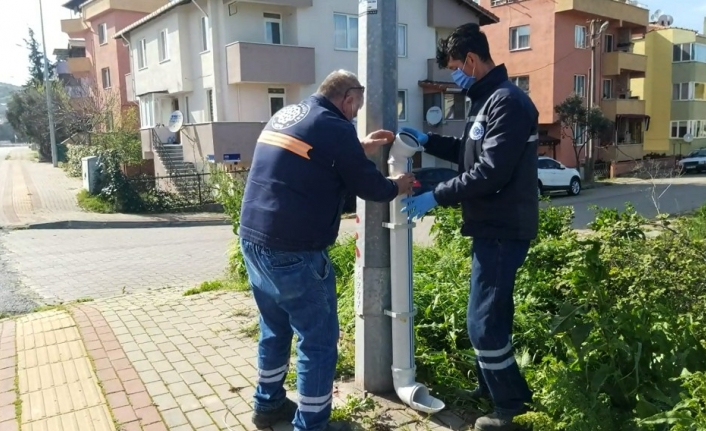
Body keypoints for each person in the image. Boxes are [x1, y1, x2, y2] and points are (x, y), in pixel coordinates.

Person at [238, 69, 416, 431]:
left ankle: (267, 406)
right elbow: (371, 187)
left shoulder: (289, 114)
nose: (354, 116)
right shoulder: (336, 127)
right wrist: (398, 185)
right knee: (317, 341)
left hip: (254, 241)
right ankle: (313, 424)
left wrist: (357, 148)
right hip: (293, 251)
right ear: (348, 98)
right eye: (355, 109)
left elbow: (311, 155)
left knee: (274, 329)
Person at [399, 23, 539, 431]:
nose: (455, 77)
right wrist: (428, 140)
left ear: (472, 62)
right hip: (489, 227)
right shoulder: (486, 102)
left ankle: (511, 410)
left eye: (456, 69)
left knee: (485, 323)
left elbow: (490, 172)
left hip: (502, 228)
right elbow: (467, 152)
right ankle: (491, 388)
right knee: (486, 316)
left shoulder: (507, 103)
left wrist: (435, 196)